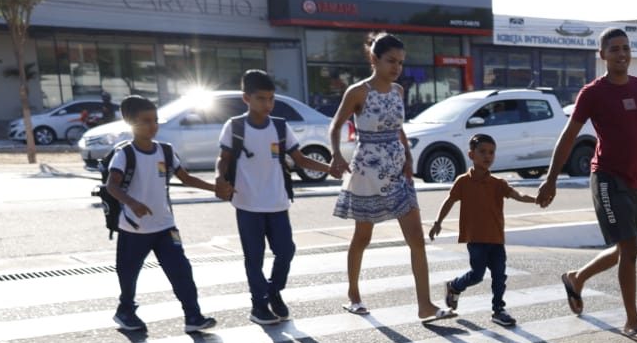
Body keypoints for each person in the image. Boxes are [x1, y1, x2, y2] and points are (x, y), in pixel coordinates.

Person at [535, 27, 637, 343]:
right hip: (607, 178)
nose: (622, 53)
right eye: (614, 49)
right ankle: (632, 320)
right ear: (603, 55)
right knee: (628, 249)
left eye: (625, 48)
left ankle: (576, 277)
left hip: (635, 179)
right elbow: (569, 136)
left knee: (627, 249)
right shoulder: (593, 93)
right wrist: (551, 178)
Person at [328, 33, 453, 324]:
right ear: (375, 59)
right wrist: (336, 154)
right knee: (363, 237)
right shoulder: (358, 92)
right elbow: (336, 126)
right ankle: (353, 295)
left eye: (400, 62)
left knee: (416, 240)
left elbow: (398, 129)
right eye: (391, 61)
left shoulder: (398, 91)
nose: (396, 67)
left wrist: (409, 159)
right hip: (368, 171)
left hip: (398, 172)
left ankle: (425, 305)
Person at [214, 69, 334, 325]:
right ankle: (259, 306)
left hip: (278, 203)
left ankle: (274, 290)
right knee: (254, 258)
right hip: (247, 204)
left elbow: (299, 158)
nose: (268, 104)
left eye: (271, 98)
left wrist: (330, 168)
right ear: (246, 98)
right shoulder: (235, 127)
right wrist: (220, 179)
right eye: (261, 99)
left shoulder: (280, 126)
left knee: (286, 251)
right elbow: (224, 159)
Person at [101, 95, 219, 334]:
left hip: (166, 226)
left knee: (182, 272)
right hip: (134, 229)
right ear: (130, 122)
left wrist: (217, 189)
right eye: (145, 121)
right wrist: (132, 202)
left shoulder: (165, 151)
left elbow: (186, 178)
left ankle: (193, 316)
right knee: (129, 274)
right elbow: (111, 186)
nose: (152, 126)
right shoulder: (125, 154)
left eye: (155, 120)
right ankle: (125, 310)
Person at [428, 133, 538, 327]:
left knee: (499, 275)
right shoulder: (463, 181)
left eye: (491, 153)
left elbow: (517, 194)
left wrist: (536, 199)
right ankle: (455, 286)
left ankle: (498, 310)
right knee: (477, 275)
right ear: (471, 155)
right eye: (482, 152)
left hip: (496, 238)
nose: (488, 156)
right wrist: (438, 222)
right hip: (475, 238)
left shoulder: (498, 184)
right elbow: (450, 200)